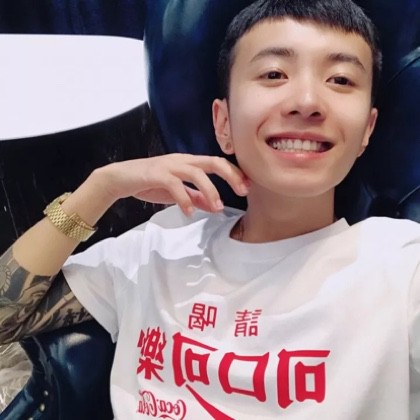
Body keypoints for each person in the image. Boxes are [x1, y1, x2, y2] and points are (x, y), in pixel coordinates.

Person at [0, 0, 419, 418]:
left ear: (367, 130)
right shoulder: (162, 244)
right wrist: (100, 188)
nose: (307, 101)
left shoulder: (400, 266)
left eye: (341, 79)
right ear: (223, 124)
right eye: (274, 74)